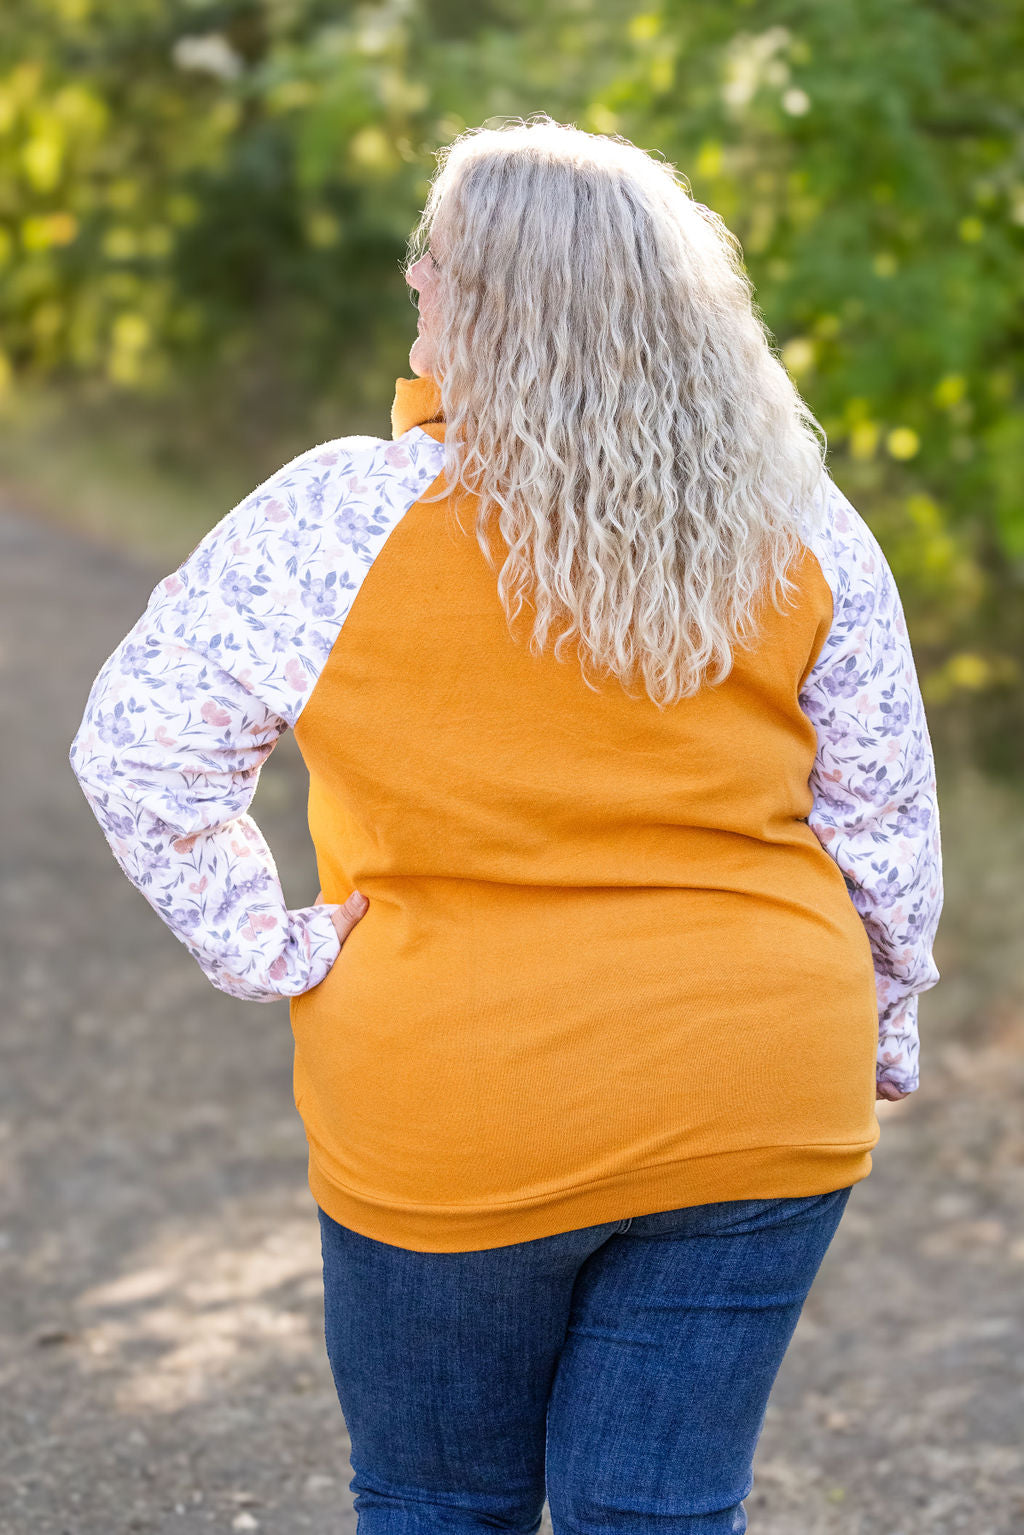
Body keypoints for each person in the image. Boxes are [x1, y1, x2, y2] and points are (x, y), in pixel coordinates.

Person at [70, 116, 943, 1532]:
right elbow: (885, 818)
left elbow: (139, 753)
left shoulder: (337, 519)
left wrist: (269, 947)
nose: (412, 281)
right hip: (763, 1084)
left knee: (437, 1500)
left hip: (453, 1098)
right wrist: (883, 1017)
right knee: (660, 1514)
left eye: (434, 258)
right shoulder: (801, 521)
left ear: (484, 299)